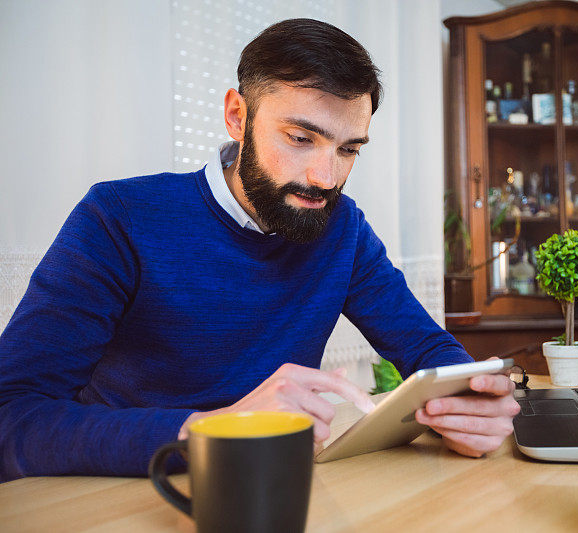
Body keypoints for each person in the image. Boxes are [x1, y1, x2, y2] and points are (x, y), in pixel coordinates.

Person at [0, 18, 518, 482]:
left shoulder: (345, 230)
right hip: (117, 496)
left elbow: (427, 349)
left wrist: (469, 401)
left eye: (348, 149)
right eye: (300, 138)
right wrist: (216, 430)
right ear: (236, 116)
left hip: (271, 491)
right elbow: (12, 415)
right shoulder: (120, 216)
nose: (325, 178)